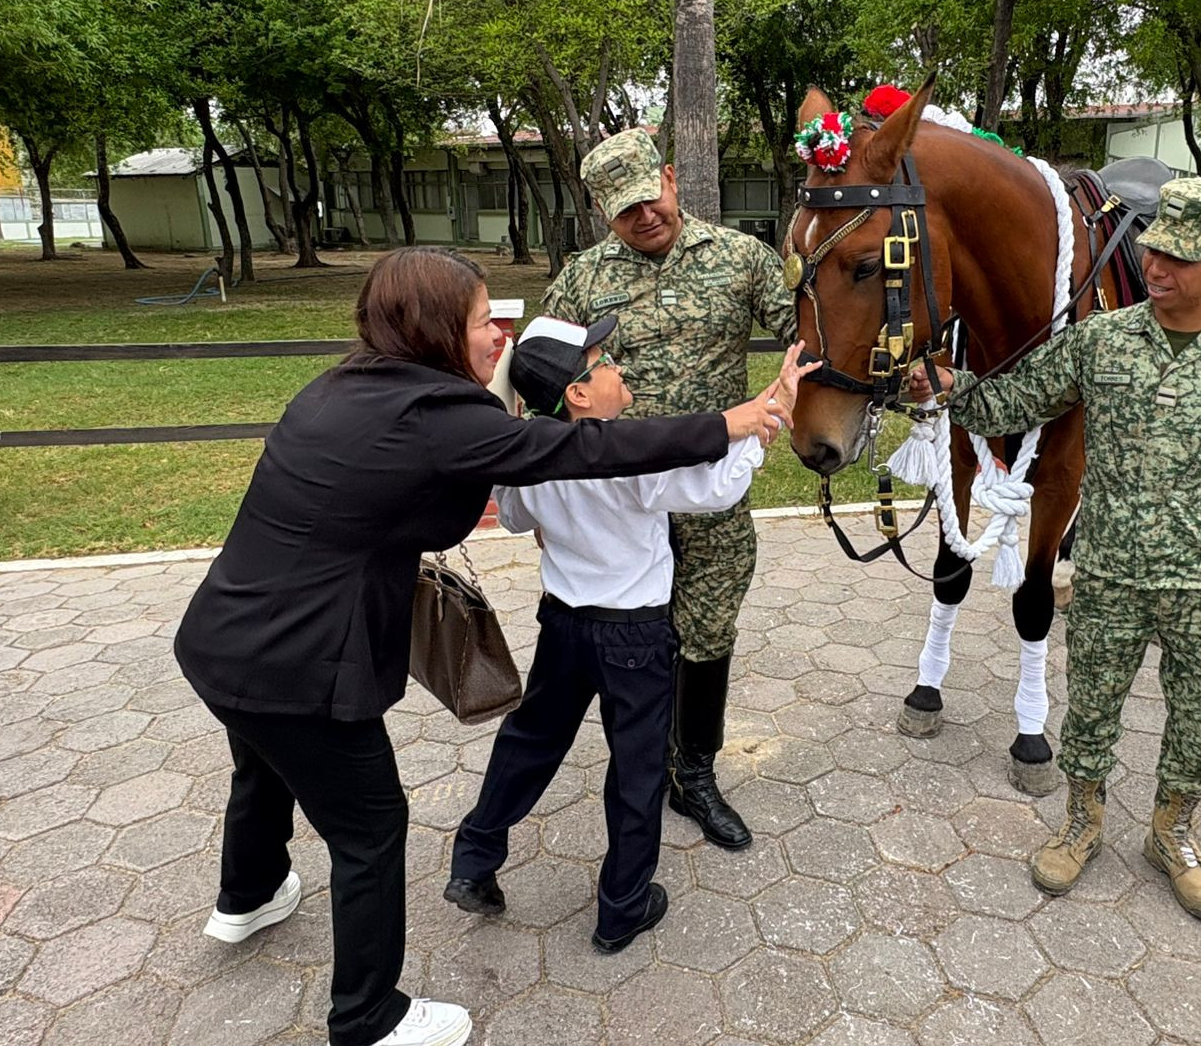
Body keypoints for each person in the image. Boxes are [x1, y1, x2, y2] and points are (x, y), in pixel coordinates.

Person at [174, 247, 785, 1046]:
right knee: (370, 829)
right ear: (433, 329)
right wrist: (732, 425)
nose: (499, 333)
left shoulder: (340, 388)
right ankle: (368, 1017)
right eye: (479, 321)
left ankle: (249, 894)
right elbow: (587, 450)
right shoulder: (438, 417)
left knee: (263, 765)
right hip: (307, 662)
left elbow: (497, 490)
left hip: (225, 638)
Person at [908, 177, 1201, 920]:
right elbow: (1015, 401)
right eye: (1154, 251)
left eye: (1180, 258)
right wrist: (951, 385)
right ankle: (1080, 824)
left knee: (1198, 716)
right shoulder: (1102, 339)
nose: (1157, 268)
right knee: (1090, 712)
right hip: (1109, 573)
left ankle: (1172, 835)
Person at [442, 317, 817, 951]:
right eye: (605, 361)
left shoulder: (530, 453)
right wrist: (768, 420)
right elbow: (715, 489)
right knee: (638, 770)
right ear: (579, 394)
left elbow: (513, 518)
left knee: (530, 741)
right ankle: (623, 905)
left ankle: (474, 860)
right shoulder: (633, 457)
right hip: (633, 637)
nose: (619, 367)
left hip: (563, 623)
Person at [542, 128, 798, 851]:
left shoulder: (741, 258)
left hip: (711, 495)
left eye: (649, 198)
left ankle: (696, 773)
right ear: (604, 212)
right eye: (625, 211)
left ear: (670, 179)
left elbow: (805, 332)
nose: (644, 216)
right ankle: (643, 766)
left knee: (708, 634)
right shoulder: (582, 280)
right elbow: (544, 376)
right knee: (638, 640)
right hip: (622, 509)